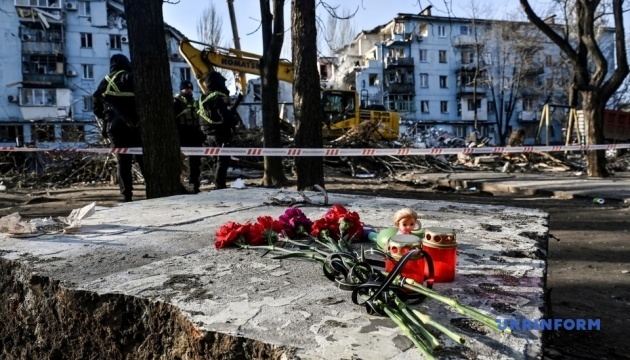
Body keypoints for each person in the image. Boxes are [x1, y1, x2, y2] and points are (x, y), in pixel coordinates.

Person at [93, 54, 144, 202]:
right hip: (135, 127)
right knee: (142, 159)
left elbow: (96, 108)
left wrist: (107, 117)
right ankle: (152, 189)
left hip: (114, 128)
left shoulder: (105, 82)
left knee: (123, 161)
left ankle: (126, 195)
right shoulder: (131, 77)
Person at [197, 71, 237, 189]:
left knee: (216, 160)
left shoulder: (203, 97)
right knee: (222, 161)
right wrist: (233, 120)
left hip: (207, 133)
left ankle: (217, 184)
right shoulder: (219, 97)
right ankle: (220, 185)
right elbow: (226, 116)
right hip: (220, 133)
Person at [173, 80, 204, 193]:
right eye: (186, 88)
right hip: (182, 135)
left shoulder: (196, 102)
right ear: (181, 89)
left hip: (195, 135)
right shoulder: (176, 101)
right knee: (179, 163)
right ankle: (179, 184)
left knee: (195, 163)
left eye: (190, 88)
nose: (188, 90)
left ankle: (194, 185)